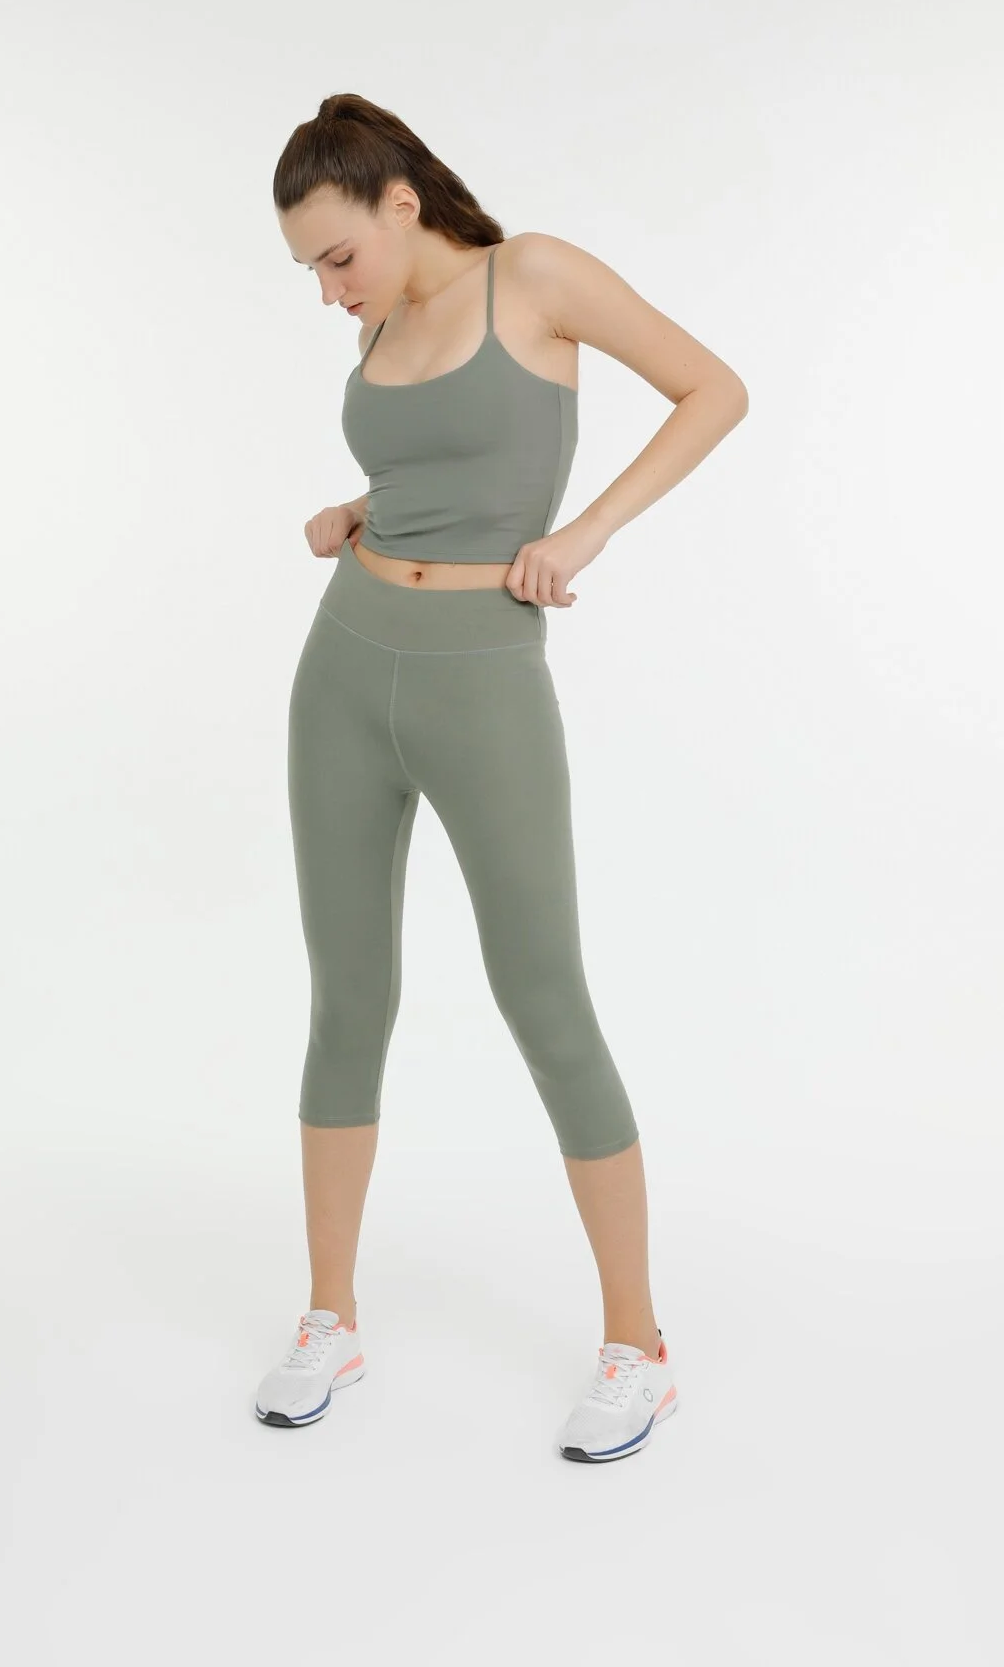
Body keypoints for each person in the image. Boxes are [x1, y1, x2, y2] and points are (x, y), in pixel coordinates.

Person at [254, 92, 748, 1462]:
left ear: (401, 203)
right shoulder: (377, 319)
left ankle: (639, 1345)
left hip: (483, 673)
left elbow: (716, 389)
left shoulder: (533, 275)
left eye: (337, 256)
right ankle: (331, 1317)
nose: (329, 291)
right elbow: (444, 461)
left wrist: (585, 534)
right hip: (344, 669)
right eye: (309, 272)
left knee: (544, 997)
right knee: (347, 996)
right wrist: (357, 509)